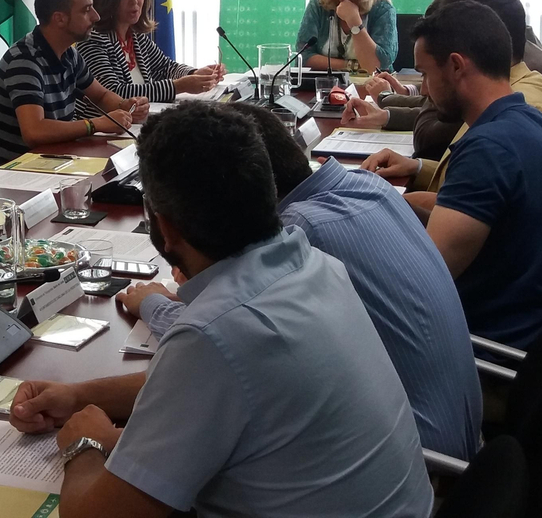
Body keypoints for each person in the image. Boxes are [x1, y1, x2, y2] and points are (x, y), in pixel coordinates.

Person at [7, 102, 432, 518]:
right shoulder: (316, 265)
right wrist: (79, 395)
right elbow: (204, 388)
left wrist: (84, 446)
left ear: (166, 227)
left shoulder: (214, 335)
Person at [117, 101, 482, 461]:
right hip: (457, 427)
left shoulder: (300, 234)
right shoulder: (368, 185)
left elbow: (223, 335)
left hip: (420, 453)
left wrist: (155, 303)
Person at [361, 1, 542, 350]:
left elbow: (422, 283)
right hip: (533, 326)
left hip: (486, 350)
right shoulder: (534, 123)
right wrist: (393, 202)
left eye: (426, 74)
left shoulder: (488, 149)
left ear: (457, 66)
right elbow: (491, 210)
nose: (426, 90)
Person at [350, 0, 542, 229]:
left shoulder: (507, 130)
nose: (424, 89)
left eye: (426, 75)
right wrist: (417, 167)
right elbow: (489, 185)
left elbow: (436, 263)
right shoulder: (510, 94)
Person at [0, 0, 150, 159]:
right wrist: (95, 124)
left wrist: (123, 105)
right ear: (60, 19)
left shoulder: (68, 54)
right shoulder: (24, 61)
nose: (96, 16)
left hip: (55, 157)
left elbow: (101, 95)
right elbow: (34, 132)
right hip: (18, 170)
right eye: (87, 10)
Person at [76, 0, 223, 117]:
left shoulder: (136, 37)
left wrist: (195, 73)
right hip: (100, 132)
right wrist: (179, 86)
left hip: (134, 126)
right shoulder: (92, 40)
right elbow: (114, 92)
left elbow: (165, 67)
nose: (134, 1)